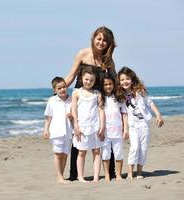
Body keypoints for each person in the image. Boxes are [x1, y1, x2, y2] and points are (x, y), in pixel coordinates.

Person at [65, 26, 117, 181]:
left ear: (109, 44)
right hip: (80, 101)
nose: (101, 42)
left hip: (98, 102)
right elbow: (71, 75)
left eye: (105, 41)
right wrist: (58, 91)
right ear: (94, 38)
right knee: (78, 137)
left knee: (104, 137)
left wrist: (126, 95)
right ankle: (74, 175)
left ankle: (111, 172)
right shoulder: (83, 53)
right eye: (99, 38)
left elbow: (114, 82)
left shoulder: (108, 60)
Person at [117, 66, 164, 180]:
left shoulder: (140, 91)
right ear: (119, 81)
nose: (125, 82)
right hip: (132, 126)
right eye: (122, 79)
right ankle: (129, 173)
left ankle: (139, 172)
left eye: (127, 79)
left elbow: (150, 103)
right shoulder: (121, 96)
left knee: (143, 148)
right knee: (134, 147)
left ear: (132, 79)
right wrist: (125, 129)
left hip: (144, 124)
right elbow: (123, 114)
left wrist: (158, 115)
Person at [71, 66, 105, 183]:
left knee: (96, 151)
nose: (88, 82)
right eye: (86, 79)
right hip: (82, 127)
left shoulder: (97, 93)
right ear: (81, 78)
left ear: (94, 81)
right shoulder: (76, 92)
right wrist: (76, 126)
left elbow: (101, 110)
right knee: (81, 152)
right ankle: (81, 177)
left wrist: (102, 127)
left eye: (91, 80)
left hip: (95, 126)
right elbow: (74, 110)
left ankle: (96, 176)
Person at [43, 77, 72, 184]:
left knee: (65, 154)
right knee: (58, 154)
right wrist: (46, 129)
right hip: (56, 131)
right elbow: (48, 116)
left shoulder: (71, 99)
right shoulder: (52, 100)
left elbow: (75, 115)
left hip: (68, 131)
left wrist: (71, 116)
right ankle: (59, 177)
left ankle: (61, 176)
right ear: (55, 90)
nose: (62, 89)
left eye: (64, 87)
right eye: (59, 88)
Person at [100, 72, 129, 181]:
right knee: (106, 154)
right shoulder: (100, 98)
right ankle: (107, 174)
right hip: (105, 132)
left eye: (110, 84)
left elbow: (124, 114)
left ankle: (118, 175)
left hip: (118, 131)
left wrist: (126, 129)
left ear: (114, 84)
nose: (108, 86)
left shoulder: (119, 97)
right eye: (106, 84)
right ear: (102, 86)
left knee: (118, 154)